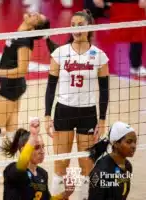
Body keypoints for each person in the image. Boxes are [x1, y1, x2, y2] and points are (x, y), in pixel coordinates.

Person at [44, 9, 110, 200]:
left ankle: (82, 196)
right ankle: (59, 196)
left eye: (80, 25)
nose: (75, 28)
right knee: (60, 163)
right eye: (72, 25)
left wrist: (102, 119)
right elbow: (50, 88)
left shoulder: (99, 56)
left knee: (86, 164)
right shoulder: (59, 53)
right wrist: (47, 116)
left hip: (88, 113)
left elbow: (104, 91)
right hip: (63, 111)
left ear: (89, 28)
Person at [0, 12, 50, 184]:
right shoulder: (20, 34)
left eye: (37, 17)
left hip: (9, 87)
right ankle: (10, 168)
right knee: (11, 129)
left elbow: (22, 70)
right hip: (11, 86)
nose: (34, 13)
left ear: (34, 26)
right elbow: (9, 60)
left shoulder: (24, 41)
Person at [2, 117, 74, 200]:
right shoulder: (12, 170)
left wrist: (65, 194)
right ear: (23, 150)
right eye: (37, 147)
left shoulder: (42, 174)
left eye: (43, 147)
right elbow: (22, 162)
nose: (42, 151)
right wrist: (33, 136)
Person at [93, 0, 146, 76]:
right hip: (114, 7)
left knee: (136, 34)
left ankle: (136, 66)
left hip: (134, 6)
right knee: (108, 37)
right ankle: (98, 64)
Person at [87, 121, 137, 200]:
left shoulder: (127, 166)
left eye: (135, 142)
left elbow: (122, 193)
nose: (134, 146)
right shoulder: (99, 172)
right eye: (129, 142)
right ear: (116, 143)